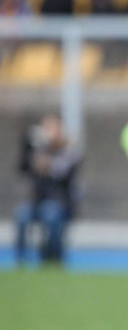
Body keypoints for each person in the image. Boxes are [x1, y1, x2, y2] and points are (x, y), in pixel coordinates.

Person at [14, 113, 82, 264]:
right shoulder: (36, 149)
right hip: (36, 201)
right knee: (21, 215)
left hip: (59, 202)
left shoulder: (68, 151)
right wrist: (29, 143)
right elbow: (22, 167)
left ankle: (52, 257)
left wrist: (49, 162)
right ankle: (21, 259)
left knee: (51, 214)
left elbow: (64, 172)